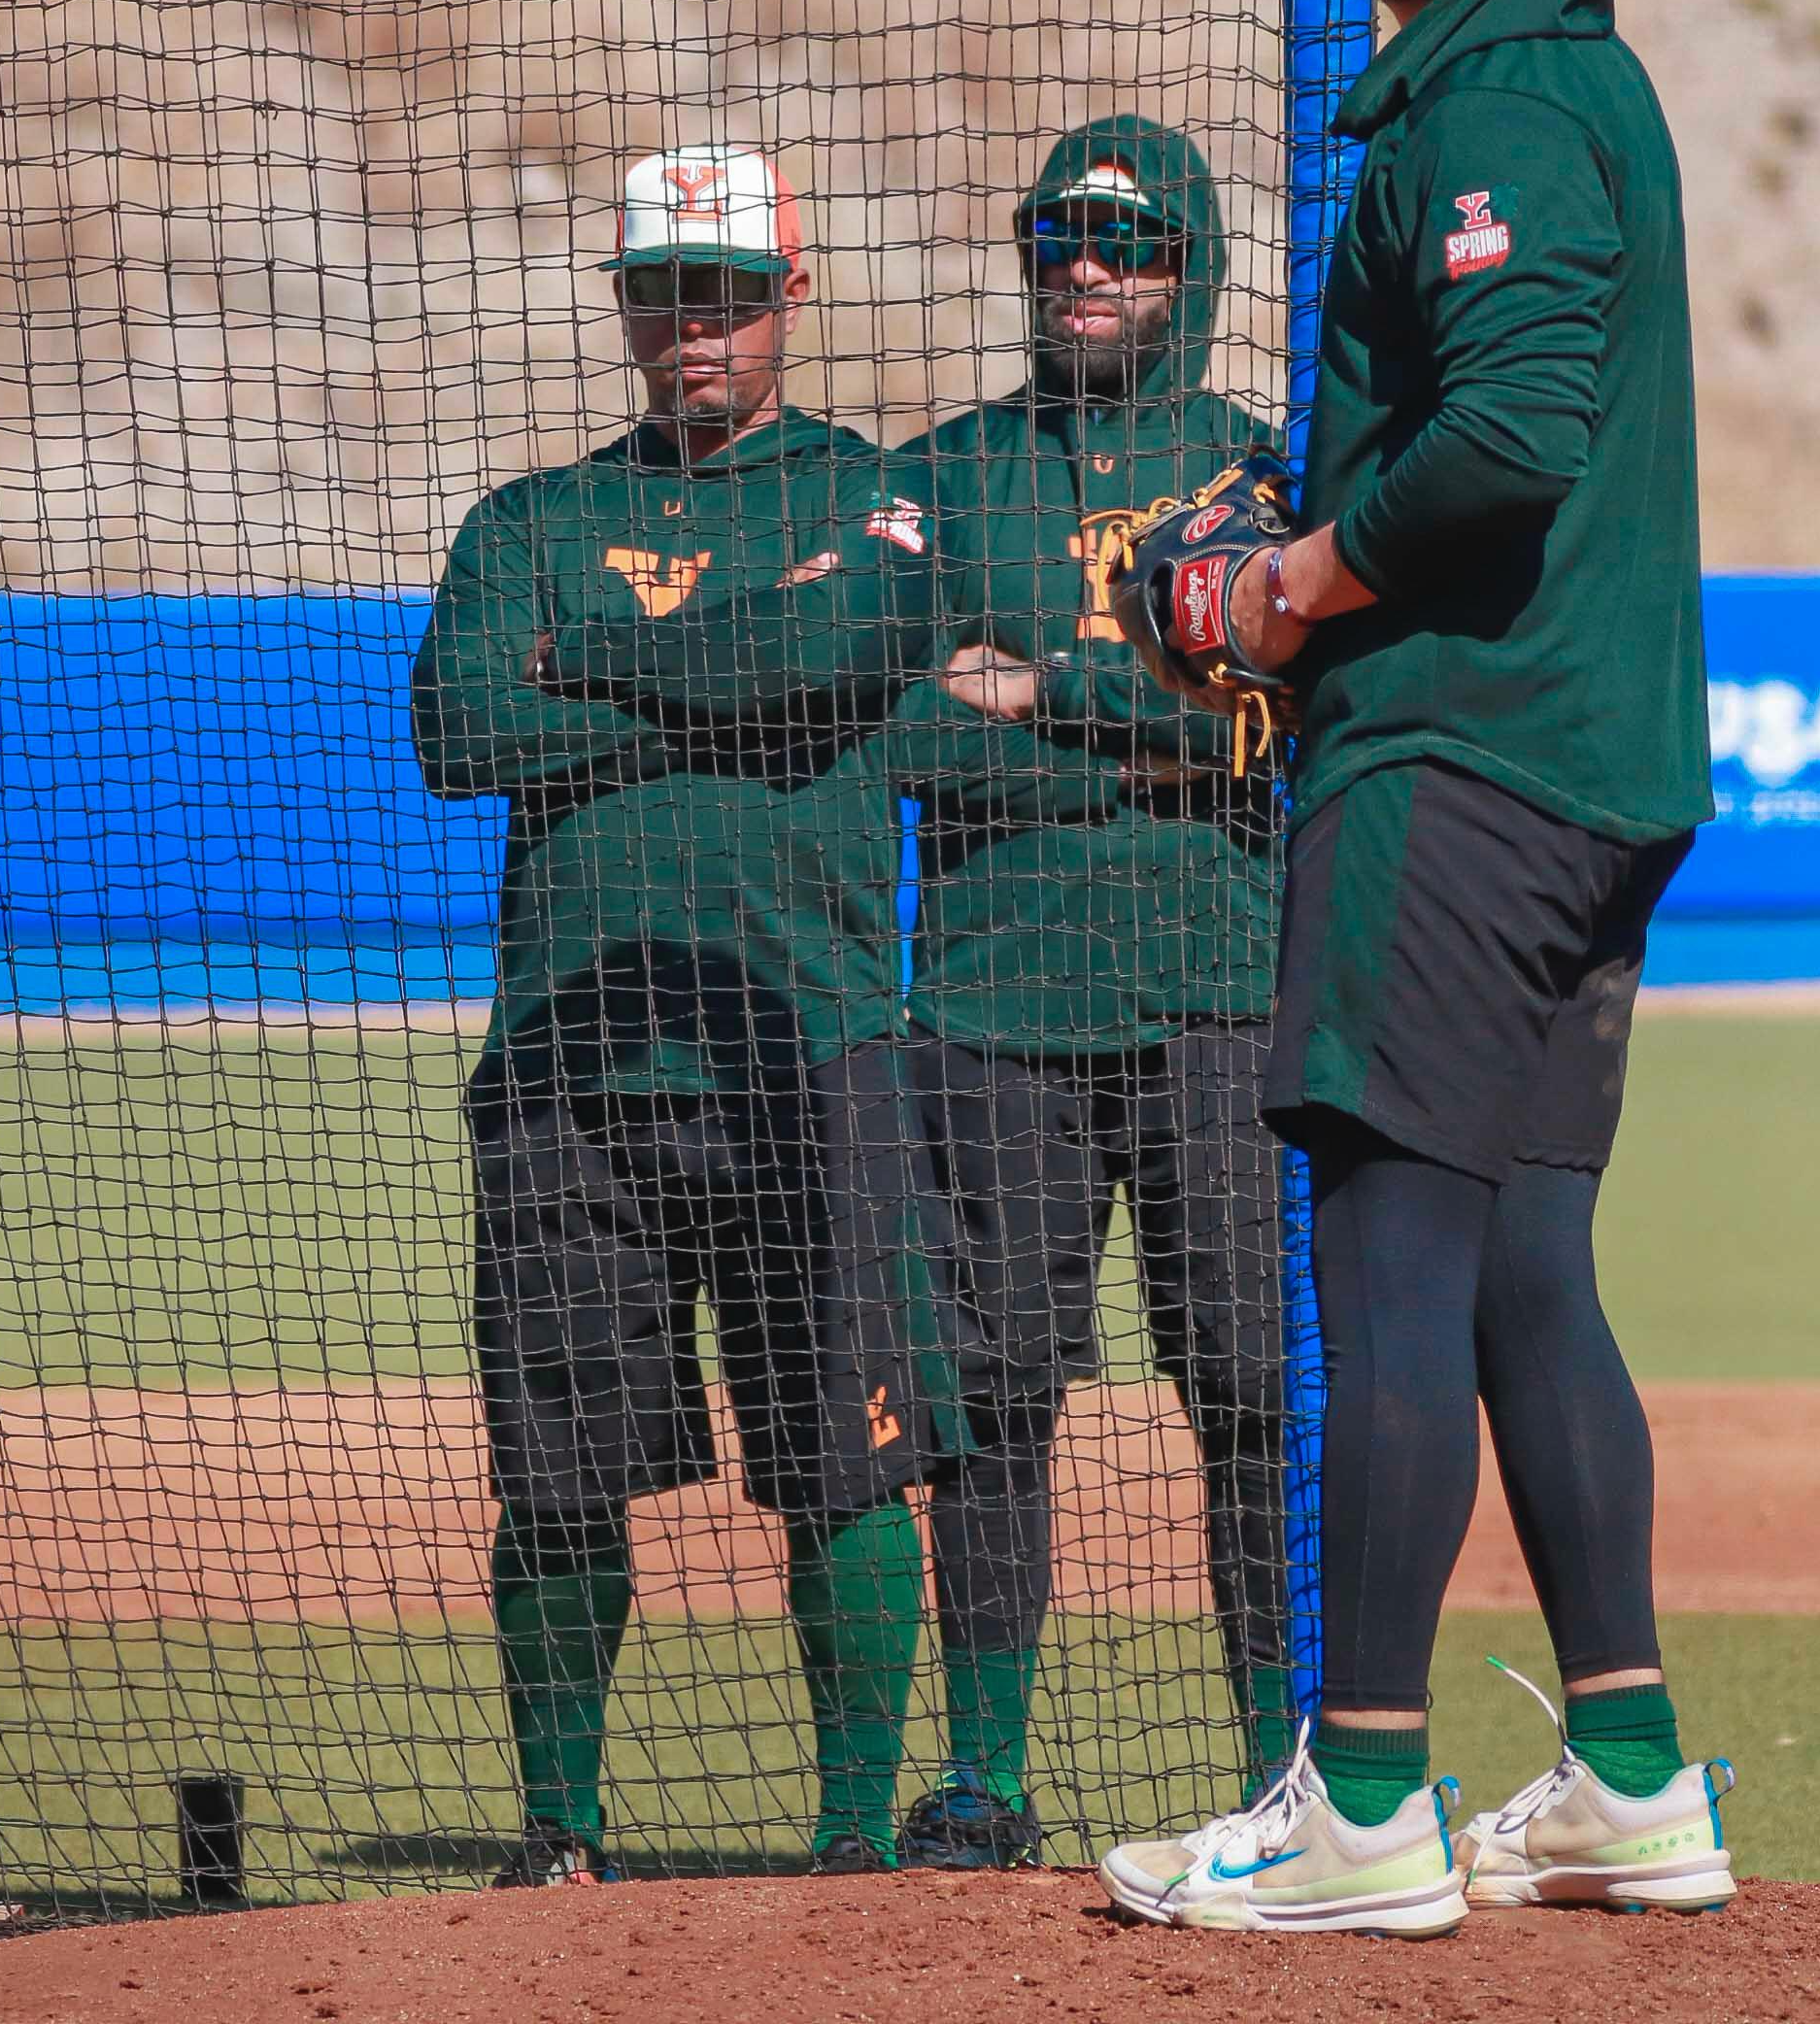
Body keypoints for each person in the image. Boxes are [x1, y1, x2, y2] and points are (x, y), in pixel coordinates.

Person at [1096, 0, 1734, 1934]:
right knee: (1528, 1272)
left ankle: (1364, 1800)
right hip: (1591, 765)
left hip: (1459, 759)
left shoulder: (1494, 102)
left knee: (1390, 1273)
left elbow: (1515, 429)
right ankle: (1632, 1772)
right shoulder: (1553, 78)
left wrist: (1285, 585)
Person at [542, 119, 1297, 1872]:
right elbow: (902, 720)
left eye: (1125, 240)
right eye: (1058, 238)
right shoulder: (939, 480)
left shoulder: (1262, 472)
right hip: (986, 998)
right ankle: (986, 1780)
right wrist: (1136, 717)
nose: (1087, 268)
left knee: (1255, 1392)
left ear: (1191, 265)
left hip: (1227, 984)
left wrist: (1055, 699)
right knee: (992, 1399)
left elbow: (1275, 718)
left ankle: (1286, 1765)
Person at [410, 143, 944, 1882]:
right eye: (661, 292)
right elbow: (461, 738)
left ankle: (854, 1831)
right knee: (556, 1476)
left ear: (793, 294)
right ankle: (558, 1831)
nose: (692, 327)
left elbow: (832, 673)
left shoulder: (870, 496)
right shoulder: (526, 522)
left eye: (726, 293)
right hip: (569, 1064)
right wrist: (735, 680)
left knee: (846, 1464)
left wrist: (607, 665)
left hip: (816, 1047)